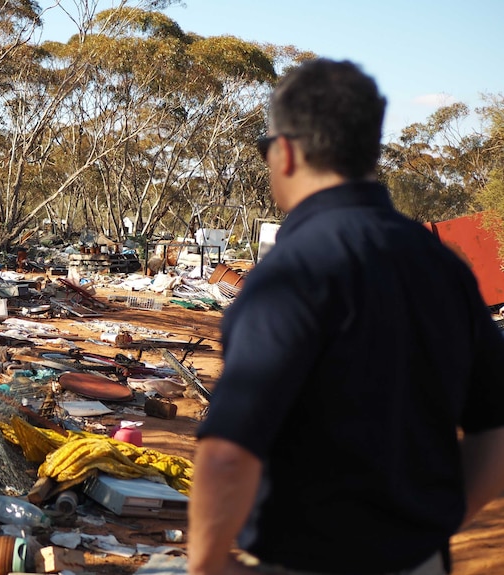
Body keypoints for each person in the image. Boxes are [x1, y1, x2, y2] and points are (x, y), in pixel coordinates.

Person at [188, 58, 504, 575]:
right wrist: (425, 530)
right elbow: (496, 430)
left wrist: (206, 567)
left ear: (285, 151)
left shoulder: (291, 272)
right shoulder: (445, 268)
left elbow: (227, 454)